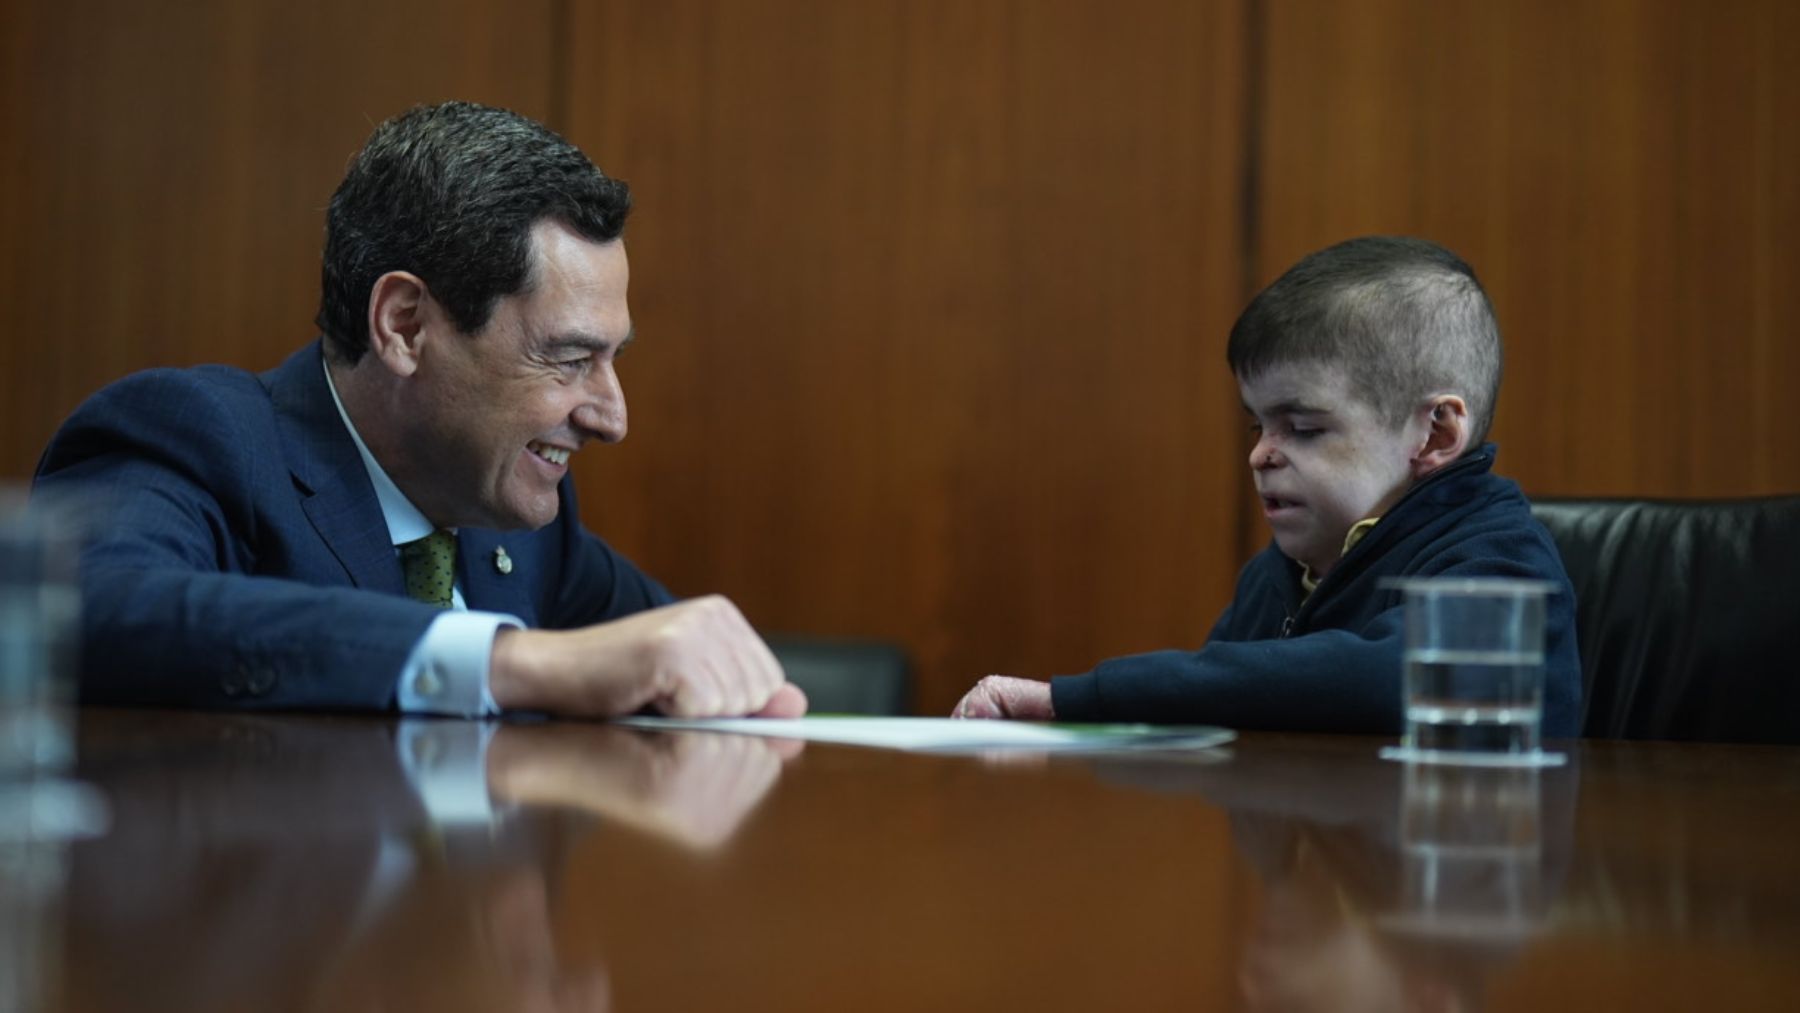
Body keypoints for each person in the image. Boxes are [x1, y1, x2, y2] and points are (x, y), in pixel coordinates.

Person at [33, 101, 805, 720]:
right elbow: (74, 616)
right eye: (570, 359)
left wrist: (769, 694)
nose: (611, 416)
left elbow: (688, 666)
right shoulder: (200, 439)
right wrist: (505, 659)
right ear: (405, 324)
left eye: (613, 359)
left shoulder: (527, 528)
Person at [952, 236, 1580, 734]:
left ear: (1436, 435)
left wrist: (1078, 698)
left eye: (1303, 428)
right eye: (1258, 424)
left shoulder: (1501, 561)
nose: (1259, 454)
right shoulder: (1277, 573)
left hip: (1461, 882)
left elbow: (1392, 678)